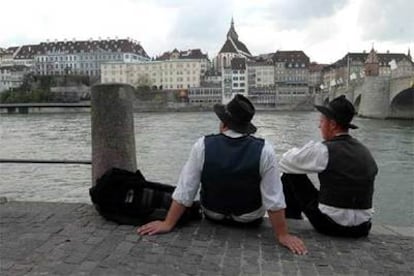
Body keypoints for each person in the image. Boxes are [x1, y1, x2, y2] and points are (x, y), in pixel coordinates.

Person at [137, 94, 307, 255]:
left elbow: (185, 191)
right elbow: (274, 200)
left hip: (213, 214)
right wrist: (282, 235)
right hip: (249, 219)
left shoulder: (202, 145)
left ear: (224, 123)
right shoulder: (265, 150)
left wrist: (168, 224)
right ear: (245, 127)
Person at [279, 95, 378, 238]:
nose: (319, 126)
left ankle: (292, 219)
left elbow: (285, 162)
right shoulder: (365, 151)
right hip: (362, 227)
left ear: (332, 124)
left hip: (331, 225)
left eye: (321, 121)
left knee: (290, 174)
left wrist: (304, 151)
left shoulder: (325, 150)